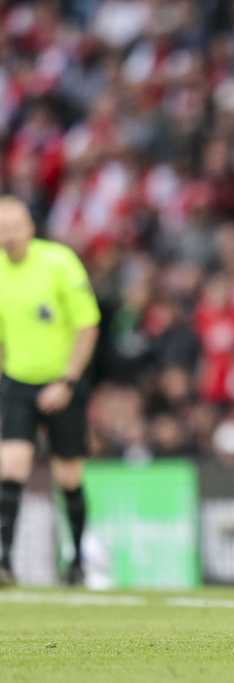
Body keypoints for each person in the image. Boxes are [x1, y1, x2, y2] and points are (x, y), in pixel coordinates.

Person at [0, 197, 100, 586]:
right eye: (1, 228)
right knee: (11, 466)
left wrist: (68, 381)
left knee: (69, 474)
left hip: (63, 381)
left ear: (30, 227)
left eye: (13, 226)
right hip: (18, 381)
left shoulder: (59, 263)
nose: (7, 235)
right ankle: (4, 561)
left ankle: (76, 561)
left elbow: (87, 325)